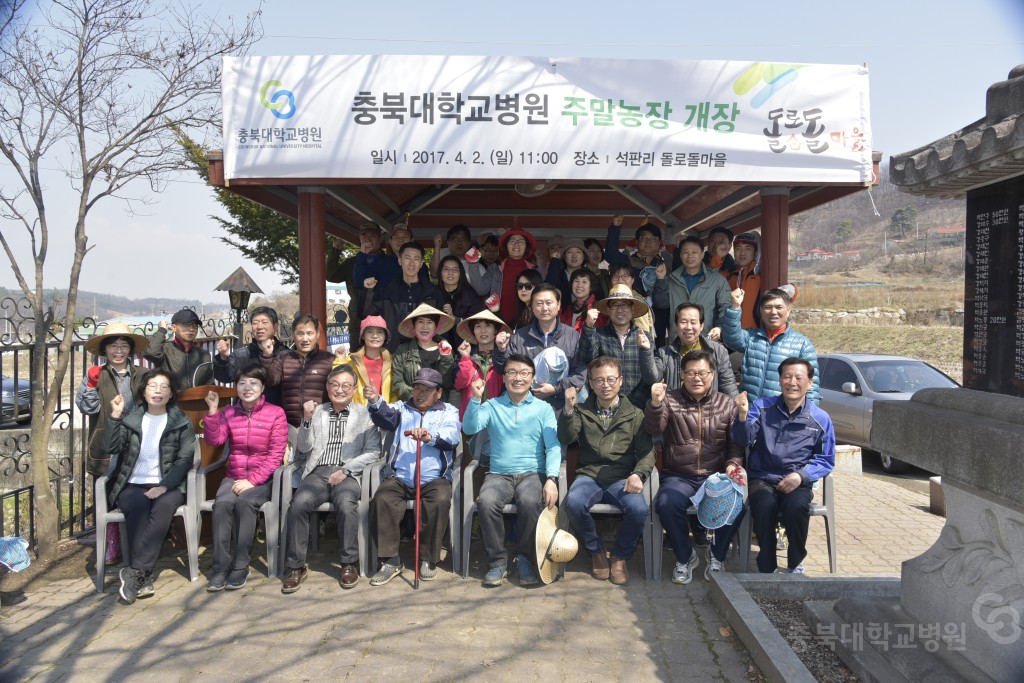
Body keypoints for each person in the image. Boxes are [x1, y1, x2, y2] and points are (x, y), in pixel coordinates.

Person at [645, 350, 746, 584]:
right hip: (679, 476)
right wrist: (655, 404)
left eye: (702, 372)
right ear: (682, 375)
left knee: (737, 503)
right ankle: (686, 556)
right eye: (690, 373)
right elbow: (653, 429)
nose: (696, 378)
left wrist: (732, 466)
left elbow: (736, 444)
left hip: (716, 475)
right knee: (667, 504)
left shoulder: (727, 404)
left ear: (712, 374)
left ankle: (717, 554)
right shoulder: (670, 400)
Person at [280, 365, 382, 593]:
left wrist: (346, 470)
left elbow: (374, 452)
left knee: (346, 504)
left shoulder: (365, 414)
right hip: (318, 471)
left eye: (346, 385)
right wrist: (305, 420)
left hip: (348, 473)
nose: (340, 389)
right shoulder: (317, 412)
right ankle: (296, 567)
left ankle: (349, 563)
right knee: (299, 503)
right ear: (327, 387)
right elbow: (304, 448)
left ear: (354, 388)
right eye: (335, 384)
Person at [463, 354, 560, 587]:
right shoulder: (492, 405)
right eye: (512, 373)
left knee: (530, 502)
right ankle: (497, 562)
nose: (518, 378)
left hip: (532, 473)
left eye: (524, 373)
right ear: (504, 377)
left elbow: (554, 446)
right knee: (486, 501)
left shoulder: (543, 409)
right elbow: (470, 427)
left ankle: (525, 558)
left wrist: (551, 479)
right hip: (499, 474)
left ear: (533, 378)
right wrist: (475, 399)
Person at [733, 357, 835, 574]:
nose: (792, 382)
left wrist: (801, 475)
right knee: (764, 505)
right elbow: (742, 440)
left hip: (797, 481)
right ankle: (767, 566)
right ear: (779, 380)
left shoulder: (820, 418)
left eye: (799, 377)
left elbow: (826, 459)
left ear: (810, 383)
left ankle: (795, 563)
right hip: (763, 478)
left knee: (796, 506)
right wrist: (742, 416)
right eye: (787, 376)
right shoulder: (762, 407)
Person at [103, 370, 197, 604]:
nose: (158, 391)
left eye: (164, 387)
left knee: (163, 508)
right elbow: (111, 446)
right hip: (133, 482)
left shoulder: (181, 422)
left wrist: (164, 485)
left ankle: (135, 572)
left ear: (171, 393)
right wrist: (115, 416)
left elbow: (184, 460)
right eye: (153, 386)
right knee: (137, 506)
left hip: (169, 483)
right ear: (143, 392)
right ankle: (142, 576)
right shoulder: (131, 420)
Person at [559, 357, 654, 585]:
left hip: (621, 477)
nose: (606, 385)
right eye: (599, 380)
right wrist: (568, 409)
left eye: (611, 379)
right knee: (573, 502)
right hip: (589, 475)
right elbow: (566, 437)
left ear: (621, 381)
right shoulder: (582, 410)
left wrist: (638, 474)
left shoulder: (635, 414)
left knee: (638, 509)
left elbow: (647, 452)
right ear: (590, 383)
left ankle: (620, 556)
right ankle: (596, 550)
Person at [365, 368, 461, 585]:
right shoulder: (402, 408)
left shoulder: (449, 411)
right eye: (417, 388)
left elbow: (452, 438)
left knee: (440, 501)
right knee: (382, 499)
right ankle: (391, 560)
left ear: (438, 392)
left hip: (435, 478)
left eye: (427, 389)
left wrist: (429, 436)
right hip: (400, 476)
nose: (420, 393)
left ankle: (428, 558)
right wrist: (374, 401)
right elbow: (386, 418)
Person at [202, 366, 287, 591]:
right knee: (222, 503)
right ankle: (220, 567)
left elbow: (276, 455)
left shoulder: (275, 413)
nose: (247, 388)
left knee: (245, 502)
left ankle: (241, 566)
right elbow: (215, 441)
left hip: (264, 478)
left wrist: (253, 481)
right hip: (234, 475)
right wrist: (212, 412)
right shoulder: (229, 413)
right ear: (236, 387)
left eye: (253, 383)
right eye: (242, 383)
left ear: (262, 387)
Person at [495, 283, 585, 413]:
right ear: (531, 306)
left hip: (561, 409)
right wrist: (501, 350)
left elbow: (580, 374)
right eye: (539, 303)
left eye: (549, 303)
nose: (544, 308)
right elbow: (504, 371)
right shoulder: (520, 336)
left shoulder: (572, 336)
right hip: (525, 408)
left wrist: (556, 389)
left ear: (558, 305)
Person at [722, 287, 820, 403]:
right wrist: (734, 307)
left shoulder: (802, 344)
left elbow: (812, 386)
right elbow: (731, 338)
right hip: (751, 411)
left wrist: (808, 416)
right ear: (761, 311)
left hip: (782, 414)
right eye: (768, 307)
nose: (773, 312)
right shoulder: (751, 337)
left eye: (779, 307)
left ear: (788, 310)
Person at [77, 323, 150, 478]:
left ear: (130, 349)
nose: (119, 351)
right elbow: (88, 409)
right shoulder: (96, 375)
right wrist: (91, 384)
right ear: (105, 349)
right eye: (113, 346)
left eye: (124, 346)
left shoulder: (144, 374)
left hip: (139, 443)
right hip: (106, 445)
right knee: (106, 495)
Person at [577, 284, 655, 409]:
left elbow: (650, 373)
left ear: (632, 309)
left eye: (624, 304)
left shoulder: (644, 336)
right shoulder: (598, 334)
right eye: (614, 305)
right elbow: (586, 358)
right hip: (605, 405)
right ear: (608, 310)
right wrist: (589, 327)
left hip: (638, 407)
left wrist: (634, 405)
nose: (620, 310)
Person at [327, 221, 398, 350]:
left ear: (380, 239)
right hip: (357, 319)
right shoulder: (352, 263)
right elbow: (331, 276)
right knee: (357, 357)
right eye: (364, 236)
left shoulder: (389, 262)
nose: (368, 240)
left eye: (372, 236)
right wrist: (335, 251)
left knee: (385, 357)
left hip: (383, 318)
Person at [363, 241, 444, 353]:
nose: (411, 263)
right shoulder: (386, 291)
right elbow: (366, 315)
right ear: (400, 260)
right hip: (393, 350)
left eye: (416, 259)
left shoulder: (433, 293)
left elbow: (441, 326)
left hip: (424, 352)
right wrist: (369, 291)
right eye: (407, 258)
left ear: (421, 263)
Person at [603, 215, 671, 343]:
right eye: (643, 238)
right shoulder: (627, 261)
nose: (648, 241)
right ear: (637, 242)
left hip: (658, 323)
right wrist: (615, 228)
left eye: (653, 238)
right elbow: (610, 254)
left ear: (659, 243)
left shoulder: (665, 265)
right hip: (629, 322)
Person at [653, 236, 732, 345]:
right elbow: (660, 304)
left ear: (702, 254)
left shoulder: (717, 279)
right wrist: (661, 279)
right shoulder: (671, 279)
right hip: (677, 342)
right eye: (686, 252)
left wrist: (720, 327)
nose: (690, 256)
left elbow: (726, 306)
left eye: (694, 252)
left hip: (707, 341)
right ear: (680, 256)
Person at [261, 313, 336, 427]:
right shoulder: (282, 358)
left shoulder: (328, 359)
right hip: (289, 425)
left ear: (317, 334)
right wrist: (267, 357)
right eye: (300, 334)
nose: (305, 339)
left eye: (309, 333)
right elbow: (271, 381)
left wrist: (341, 362)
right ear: (293, 335)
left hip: (320, 424)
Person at [646, 303, 737, 396]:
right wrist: (645, 351)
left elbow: (728, 385)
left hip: (709, 408)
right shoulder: (664, 353)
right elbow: (652, 378)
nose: (688, 327)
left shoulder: (718, 351)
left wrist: (736, 408)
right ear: (676, 325)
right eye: (683, 322)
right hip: (675, 407)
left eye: (693, 322)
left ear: (701, 326)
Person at [213, 306, 289, 405]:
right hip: (245, 414)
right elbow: (225, 378)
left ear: (275, 326)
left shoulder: (286, 355)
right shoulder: (241, 355)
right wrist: (223, 358)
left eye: (265, 322)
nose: (260, 327)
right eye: (255, 323)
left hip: (276, 414)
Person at [453, 309, 511, 421]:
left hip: (498, 419)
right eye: (478, 326)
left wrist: (501, 350)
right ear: (473, 331)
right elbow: (459, 384)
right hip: (471, 419)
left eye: (488, 326)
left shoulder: (505, 357)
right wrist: (465, 358)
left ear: (496, 331)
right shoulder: (466, 358)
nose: (483, 331)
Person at [391, 304, 456, 401]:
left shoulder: (446, 350)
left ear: (436, 326)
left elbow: (447, 383)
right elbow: (397, 383)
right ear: (414, 326)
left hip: (437, 408)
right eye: (420, 322)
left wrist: (446, 357)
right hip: (410, 406)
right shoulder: (402, 351)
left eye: (429, 322)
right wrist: (417, 397)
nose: (425, 327)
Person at [333, 315, 395, 405]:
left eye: (380, 332)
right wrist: (340, 361)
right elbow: (338, 385)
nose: (375, 336)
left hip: (383, 414)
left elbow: (395, 393)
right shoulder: (350, 361)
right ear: (363, 336)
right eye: (370, 332)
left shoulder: (392, 362)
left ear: (385, 336)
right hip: (358, 415)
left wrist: (389, 411)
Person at [144, 308, 213, 390]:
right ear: (174, 327)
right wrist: (162, 330)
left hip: (197, 401)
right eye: (186, 325)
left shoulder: (203, 354)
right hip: (170, 400)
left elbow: (210, 383)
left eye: (194, 326)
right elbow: (150, 353)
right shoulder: (165, 350)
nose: (191, 329)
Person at [436, 254, 484, 347]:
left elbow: (477, 323)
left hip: (467, 346)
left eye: (455, 269)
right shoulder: (434, 294)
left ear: (461, 273)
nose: (450, 273)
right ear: (440, 272)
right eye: (446, 269)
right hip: (439, 346)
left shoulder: (471, 294)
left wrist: (455, 319)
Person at [496, 227, 538, 323]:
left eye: (521, 241)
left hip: (526, 321)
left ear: (526, 246)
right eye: (512, 241)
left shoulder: (534, 269)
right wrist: (473, 264)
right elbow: (481, 290)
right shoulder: (495, 268)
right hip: (499, 320)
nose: (516, 244)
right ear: (506, 245)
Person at [727, 232, 762, 330]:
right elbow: (711, 275)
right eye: (738, 248)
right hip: (732, 335)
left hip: (755, 336)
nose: (742, 253)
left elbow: (783, 287)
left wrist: (791, 289)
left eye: (748, 248)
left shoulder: (761, 273)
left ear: (755, 252)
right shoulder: (730, 276)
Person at [559, 268, 606, 335]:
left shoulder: (597, 308)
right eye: (576, 281)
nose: (579, 285)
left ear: (591, 287)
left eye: (584, 282)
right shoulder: (568, 308)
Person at [544, 237, 589, 303]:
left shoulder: (590, 276)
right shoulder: (557, 275)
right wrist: (555, 261)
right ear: (564, 257)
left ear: (584, 256)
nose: (574, 255)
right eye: (570, 252)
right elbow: (547, 290)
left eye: (578, 252)